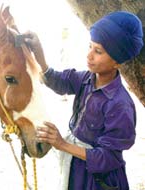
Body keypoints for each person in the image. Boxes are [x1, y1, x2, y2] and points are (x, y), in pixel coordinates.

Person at [23, 11, 144, 190]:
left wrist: (62, 144)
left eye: (98, 51)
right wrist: (39, 55)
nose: (89, 55)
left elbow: (109, 158)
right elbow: (59, 81)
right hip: (77, 166)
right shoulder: (86, 79)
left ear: (117, 63)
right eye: (90, 46)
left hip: (99, 180)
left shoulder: (120, 104)